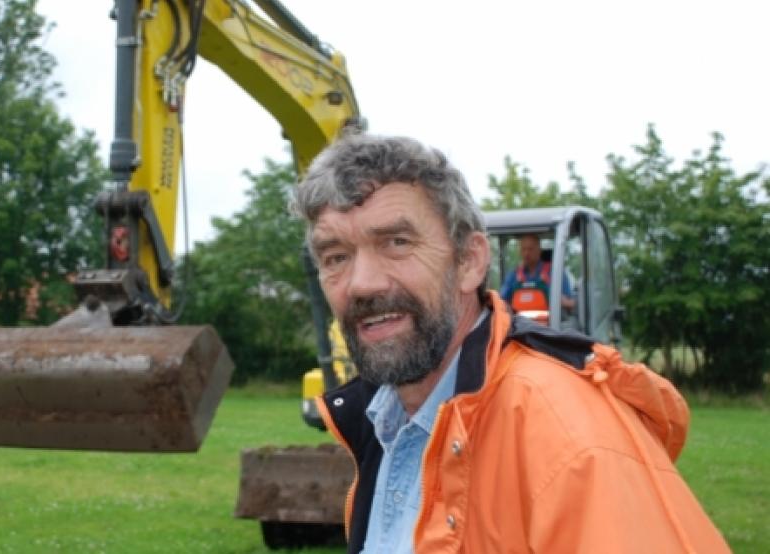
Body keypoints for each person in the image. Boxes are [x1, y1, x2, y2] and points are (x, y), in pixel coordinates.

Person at [291, 133, 729, 553]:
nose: (361, 284)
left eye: (397, 243)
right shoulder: (384, 424)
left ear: (470, 262)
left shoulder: (569, 438)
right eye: (336, 257)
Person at [499, 234, 576, 313]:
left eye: (530, 249)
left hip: (549, 323)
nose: (526, 253)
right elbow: (500, 302)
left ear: (539, 250)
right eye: (523, 249)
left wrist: (562, 301)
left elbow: (571, 303)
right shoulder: (513, 275)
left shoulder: (556, 273)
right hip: (519, 323)